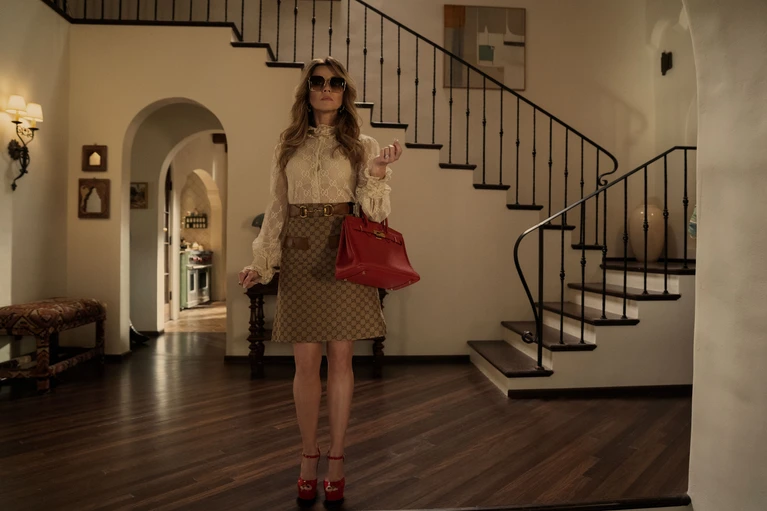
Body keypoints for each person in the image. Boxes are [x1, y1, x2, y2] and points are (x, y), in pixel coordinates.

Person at [237, 56, 402, 508]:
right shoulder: (287, 142)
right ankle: (308, 456)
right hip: (300, 252)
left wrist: (378, 172)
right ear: (307, 91)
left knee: (341, 360)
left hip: (343, 250)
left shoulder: (362, 145)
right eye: (318, 81)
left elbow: (375, 213)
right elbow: (277, 206)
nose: (327, 88)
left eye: (335, 82)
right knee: (306, 364)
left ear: (345, 92)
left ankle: (337, 458)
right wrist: (262, 262)